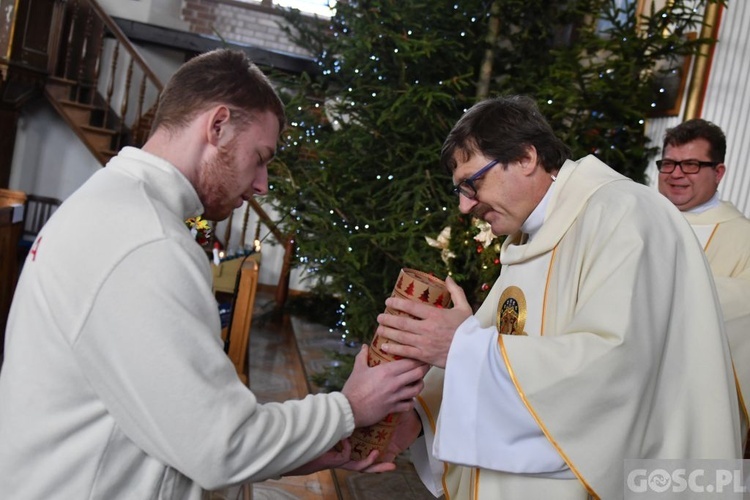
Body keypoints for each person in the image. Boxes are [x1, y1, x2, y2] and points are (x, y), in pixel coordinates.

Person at [0, 49, 428, 499]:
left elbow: (174, 423)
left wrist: (303, 451)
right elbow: (220, 446)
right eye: (260, 157)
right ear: (217, 125)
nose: (262, 183)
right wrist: (351, 407)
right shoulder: (147, 241)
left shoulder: (113, 204)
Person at [374, 96, 741, 499]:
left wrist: (458, 345)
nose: (464, 206)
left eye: (471, 183)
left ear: (526, 157)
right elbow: (495, 335)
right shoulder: (537, 230)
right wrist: (423, 418)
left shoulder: (624, 214)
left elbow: (615, 367)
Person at [657, 118, 750, 445]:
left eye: (691, 165)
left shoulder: (743, 237)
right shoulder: (637, 221)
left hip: (699, 396)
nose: (676, 174)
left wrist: (670, 292)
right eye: (668, 163)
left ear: (719, 172)